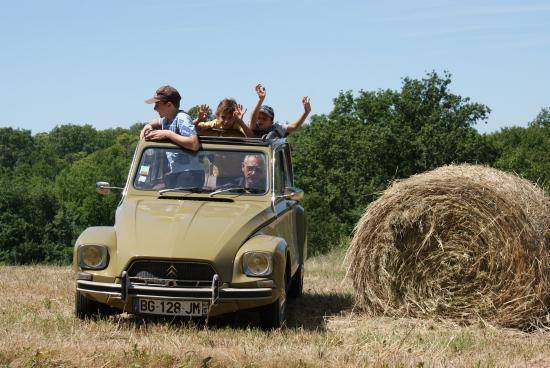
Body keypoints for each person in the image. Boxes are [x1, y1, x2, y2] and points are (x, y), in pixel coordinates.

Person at [140, 85, 199, 152]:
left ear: (169, 105)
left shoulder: (182, 118)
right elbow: (156, 122)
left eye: (157, 104)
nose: (154, 108)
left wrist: (167, 134)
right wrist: (147, 126)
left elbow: (194, 144)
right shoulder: (167, 119)